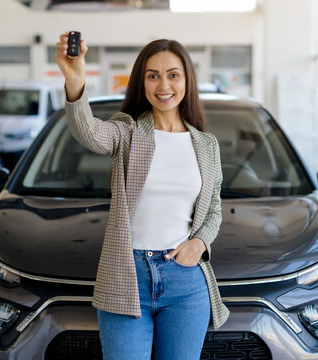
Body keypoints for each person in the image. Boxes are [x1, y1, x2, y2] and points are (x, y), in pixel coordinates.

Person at [55, 31, 228, 360]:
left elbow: (214, 210)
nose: (164, 86)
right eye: (153, 76)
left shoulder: (207, 145)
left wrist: (200, 243)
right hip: (127, 275)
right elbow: (89, 132)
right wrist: (75, 81)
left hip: (186, 282)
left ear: (187, 80)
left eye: (173, 75)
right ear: (142, 82)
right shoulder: (128, 133)